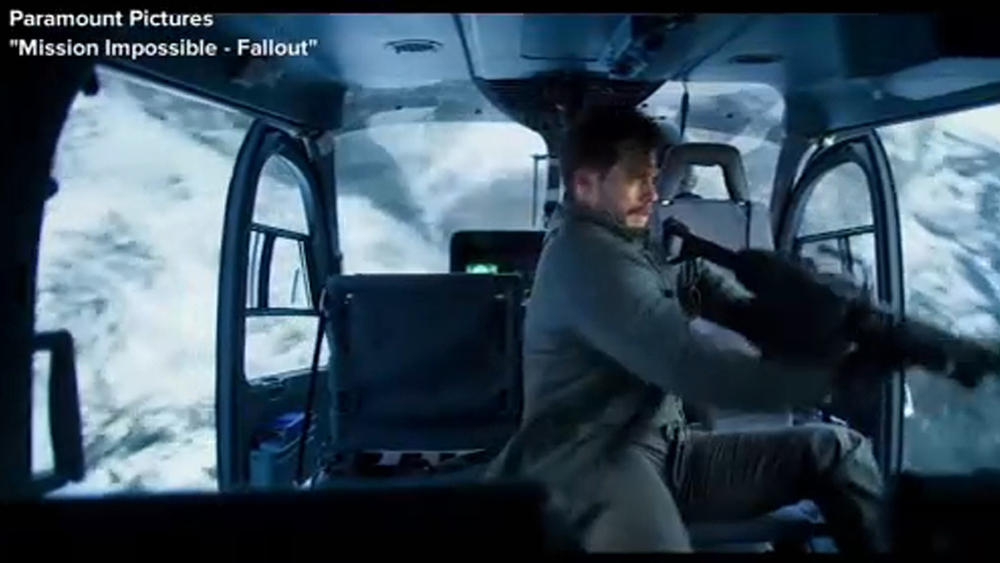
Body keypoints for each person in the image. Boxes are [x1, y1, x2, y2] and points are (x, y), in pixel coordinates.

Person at [482, 105, 887, 552]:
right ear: (585, 185)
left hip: (666, 447)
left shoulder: (632, 241)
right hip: (590, 454)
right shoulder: (587, 258)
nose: (653, 193)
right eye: (638, 179)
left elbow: (697, 283)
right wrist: (821, 384)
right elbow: (691, 368)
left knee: (839, 453)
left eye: (654, 178)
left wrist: (792, 323)